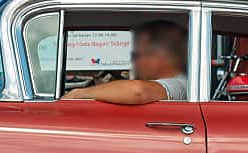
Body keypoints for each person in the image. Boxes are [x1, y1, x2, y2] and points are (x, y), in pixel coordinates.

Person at [62, 20, 190, 105]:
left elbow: (138, 91)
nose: (133, 61)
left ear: (160, 57)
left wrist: (78, 93)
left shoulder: (179, 83)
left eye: (137, 55)